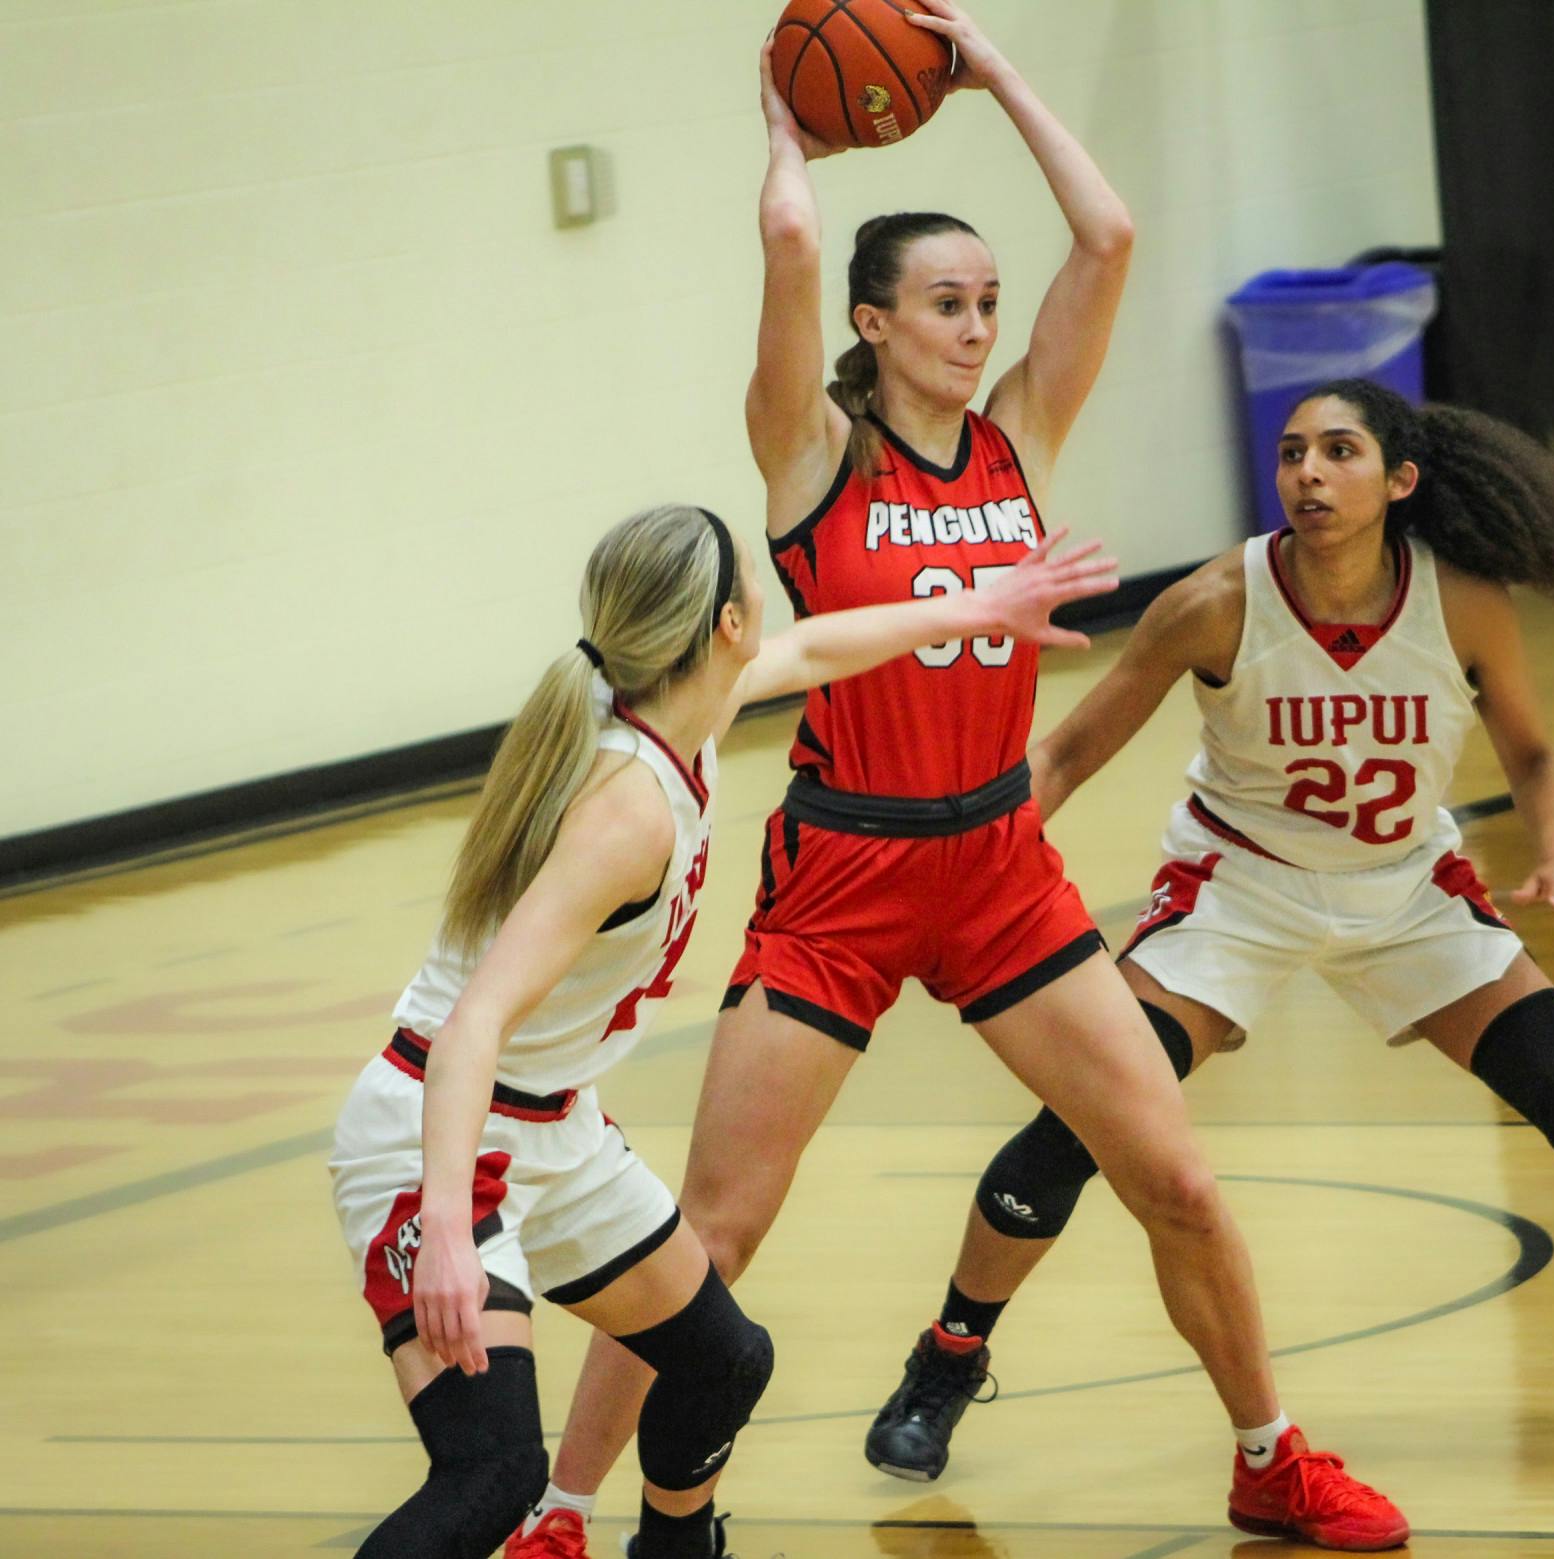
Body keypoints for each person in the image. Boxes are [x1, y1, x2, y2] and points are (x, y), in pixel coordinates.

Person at [509, 3, 1410, 1553]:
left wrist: (989, 70)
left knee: (1177, 1178)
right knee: (712, 1231)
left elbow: (1110, 235)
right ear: (872, 322)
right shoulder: (811, 454)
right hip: (845, 873)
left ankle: (1270, 1456)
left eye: (989, 301)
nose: (979, 326)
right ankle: (561, 1509)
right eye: (946, 302)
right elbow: (791, 243)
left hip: (1000, 867)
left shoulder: (1020, 441)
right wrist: (787, 131)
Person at [862, 378, 1554, 1510]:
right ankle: (945, 1360)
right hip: (1237, 888)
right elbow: (1062, 753)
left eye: (1338, 451)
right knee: (1081, 1126)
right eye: (1291, 452)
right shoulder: (1215, 601)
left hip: (1405, 890)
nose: (1306, 471)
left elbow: (1535, 755)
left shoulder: (1462, 600)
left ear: (1399, 481)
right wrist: (968, 862)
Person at [330, 501, 1114, 1559]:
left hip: (553, 1126)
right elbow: (474, 1022)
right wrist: (445, 1231)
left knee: (723, 1359)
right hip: (438, 1131)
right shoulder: (627, 809)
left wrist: (985, 606)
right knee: (493, 1471)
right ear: (726, 624)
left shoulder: (679, 705)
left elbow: (821, 647)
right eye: (753, 578)